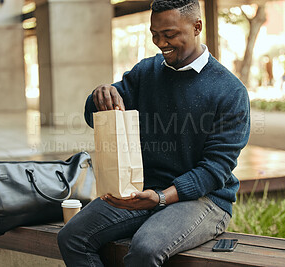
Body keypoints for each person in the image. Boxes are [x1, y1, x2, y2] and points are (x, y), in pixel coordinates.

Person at [57, 0, 250, 266]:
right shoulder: (145, 72)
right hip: (142, 191)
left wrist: (161, 198)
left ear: (197, 27)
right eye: (154, 34)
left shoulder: (230, 92)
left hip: (205, 200)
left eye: (169, 34)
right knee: (71, 237)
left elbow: (215, 170)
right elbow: (94, 116)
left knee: (145, 249)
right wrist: (98, 96)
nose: (160, 42)